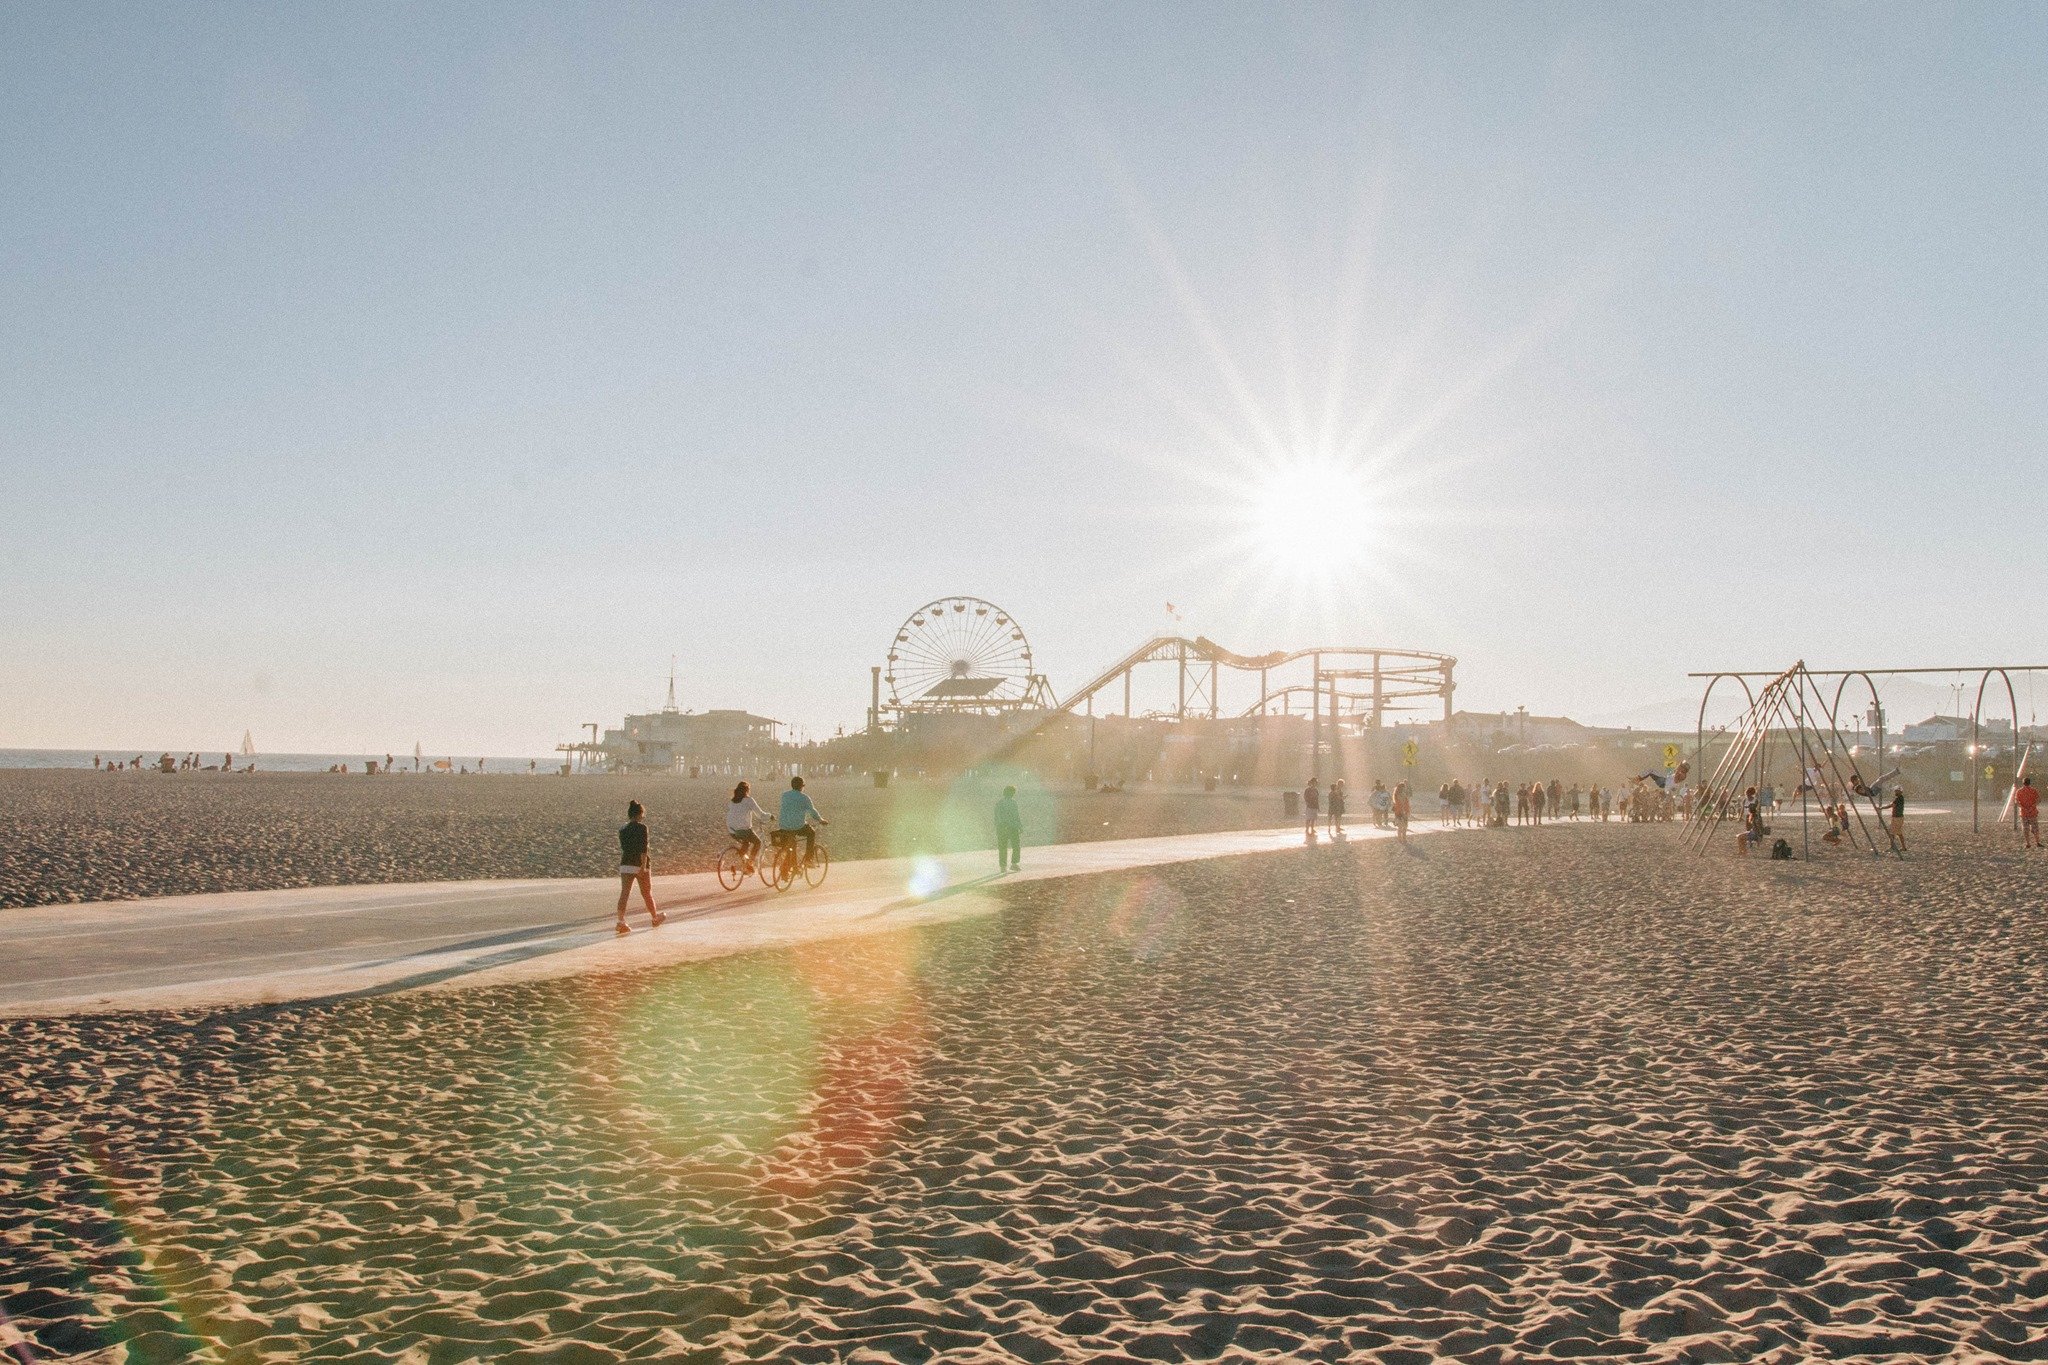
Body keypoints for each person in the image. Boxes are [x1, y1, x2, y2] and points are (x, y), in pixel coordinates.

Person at [615, 800, 664, 935]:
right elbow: (643, 848)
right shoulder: (643, 828)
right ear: (639, 814)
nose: (643, 816)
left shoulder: (622, 829)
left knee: (624, 893)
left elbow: (625, 847)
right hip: (639, 864)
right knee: (647, 893)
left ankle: (620, 921)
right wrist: (642, 866)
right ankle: (655, 917)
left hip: (625, 863)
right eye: (643, 814)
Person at [778, 775, 827, 865]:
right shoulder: (804, 798)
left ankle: (789, 868)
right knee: (811, 833)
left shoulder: (784, 795)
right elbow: (812, 811)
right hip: (797, 826)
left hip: (783, 826)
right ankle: (809, 859)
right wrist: (820, 819)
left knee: (792, 845)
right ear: (802, 786)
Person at [727, 780, 766, 867]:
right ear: (747, 791)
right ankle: (750, 864)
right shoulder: (749, 800)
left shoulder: (732, 801)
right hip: (743, 830)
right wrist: (770, 816)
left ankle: (740, 858)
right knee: (757, 843)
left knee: (746, 842)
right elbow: (760, 814)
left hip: (732, 830)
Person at [995, 785, 1023, 872]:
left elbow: (997, 817)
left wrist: (1019, 826)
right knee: (1015, 846)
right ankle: (1013, 864)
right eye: (1012, 792)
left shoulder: (1000, 803)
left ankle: (1004, 866)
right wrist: (1019, 826)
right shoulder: (1011, 803)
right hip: (1010, 827)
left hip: (1004, 827)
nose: (1013, 794)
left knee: (1004, 847)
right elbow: (1016, 816)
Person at [2018, 776, 2041, 849]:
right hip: (2033, 812)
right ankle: (2037, 842)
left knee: (2025, 829)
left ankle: (2028, 843)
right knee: (2035, 828)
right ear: (2029, 783)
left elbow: (2017, 802)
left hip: (2023, 813)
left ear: (2023, 783)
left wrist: (2023, 808)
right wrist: (2032, 807)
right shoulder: (2034, 790)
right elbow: (2038, 800)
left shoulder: (2019, 791)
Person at [1890, 786, 1906, 851]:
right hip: (1897, 817)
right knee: (1897, 832)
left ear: (1900, 792)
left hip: (1897, 817)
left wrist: (1881, 808)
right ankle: (1903, 847)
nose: (1895, 792)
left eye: (1897, 791)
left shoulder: (1899, 798)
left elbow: (1892, 805)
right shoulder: (1899, 798)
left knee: (1894, 832)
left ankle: (1893, 847)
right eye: (1895, 791)